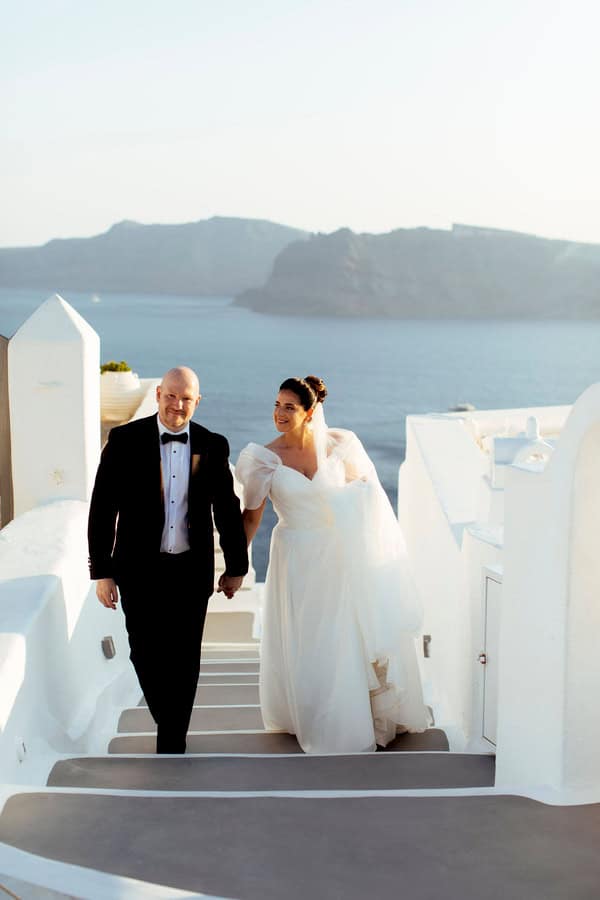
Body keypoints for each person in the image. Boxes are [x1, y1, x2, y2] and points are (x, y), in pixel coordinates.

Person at [235, 375, 431, 753]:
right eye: (276, 404)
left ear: (310, 412)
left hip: (340, 558)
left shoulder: (342, 445)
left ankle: (350, 719)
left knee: (340, 638)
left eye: (289, 407)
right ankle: (308, 714)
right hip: (295, 559)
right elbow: (250, 519)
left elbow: (370, 498)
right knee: (307, 640)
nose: (279, 413)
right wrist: (236, 568)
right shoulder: (262, 459)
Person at [88, 366, 248, 753]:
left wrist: (236, 567)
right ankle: (169, 720)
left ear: (198, 401)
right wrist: (102, 572)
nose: (178, 405)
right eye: (171, 396)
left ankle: (172, 740)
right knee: (143, 650)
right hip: (138, 570)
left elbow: (227, 510)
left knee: (184, 658)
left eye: (186, 398)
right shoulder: (124, 440)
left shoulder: (213, 445)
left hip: (190, 573)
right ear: (158, 393)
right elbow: (102, 508)